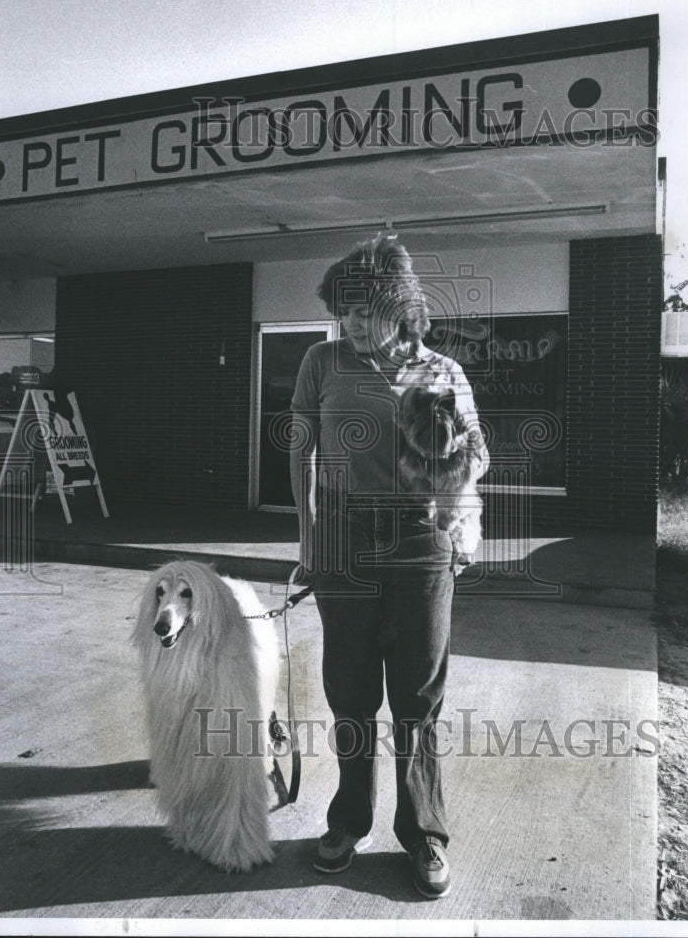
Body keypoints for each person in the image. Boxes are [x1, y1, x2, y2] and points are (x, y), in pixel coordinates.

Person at [289, 234, 488, 899]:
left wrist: (453, 464)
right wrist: (309, 536)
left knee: (417, 695)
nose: (353, 323)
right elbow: (300, 452)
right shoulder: (321, 361)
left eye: (365, 310)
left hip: (419, 536)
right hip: (343, 535)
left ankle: (423, 835)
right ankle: (348, 822)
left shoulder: (442, 372)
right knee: (348, 689)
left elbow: (478, 456)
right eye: (344, 311)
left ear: (399, 307)